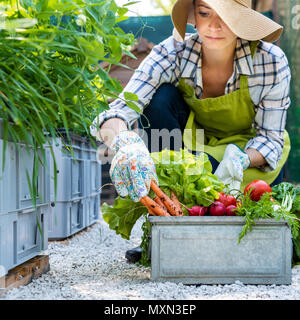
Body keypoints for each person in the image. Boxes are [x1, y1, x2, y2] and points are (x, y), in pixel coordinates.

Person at [90, 0, 291, 262]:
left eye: (226, 16)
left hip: (248, 152)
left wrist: (242, 157)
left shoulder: (270, 61)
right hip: (192, 145)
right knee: (159, 98)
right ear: (193, 14)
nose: (214, 26)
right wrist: (125, 143)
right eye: (205, 13)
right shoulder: (172, 51)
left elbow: (271, 138)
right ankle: (164, 230)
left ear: (243, 19)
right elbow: (120, 109)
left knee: (242, 205)